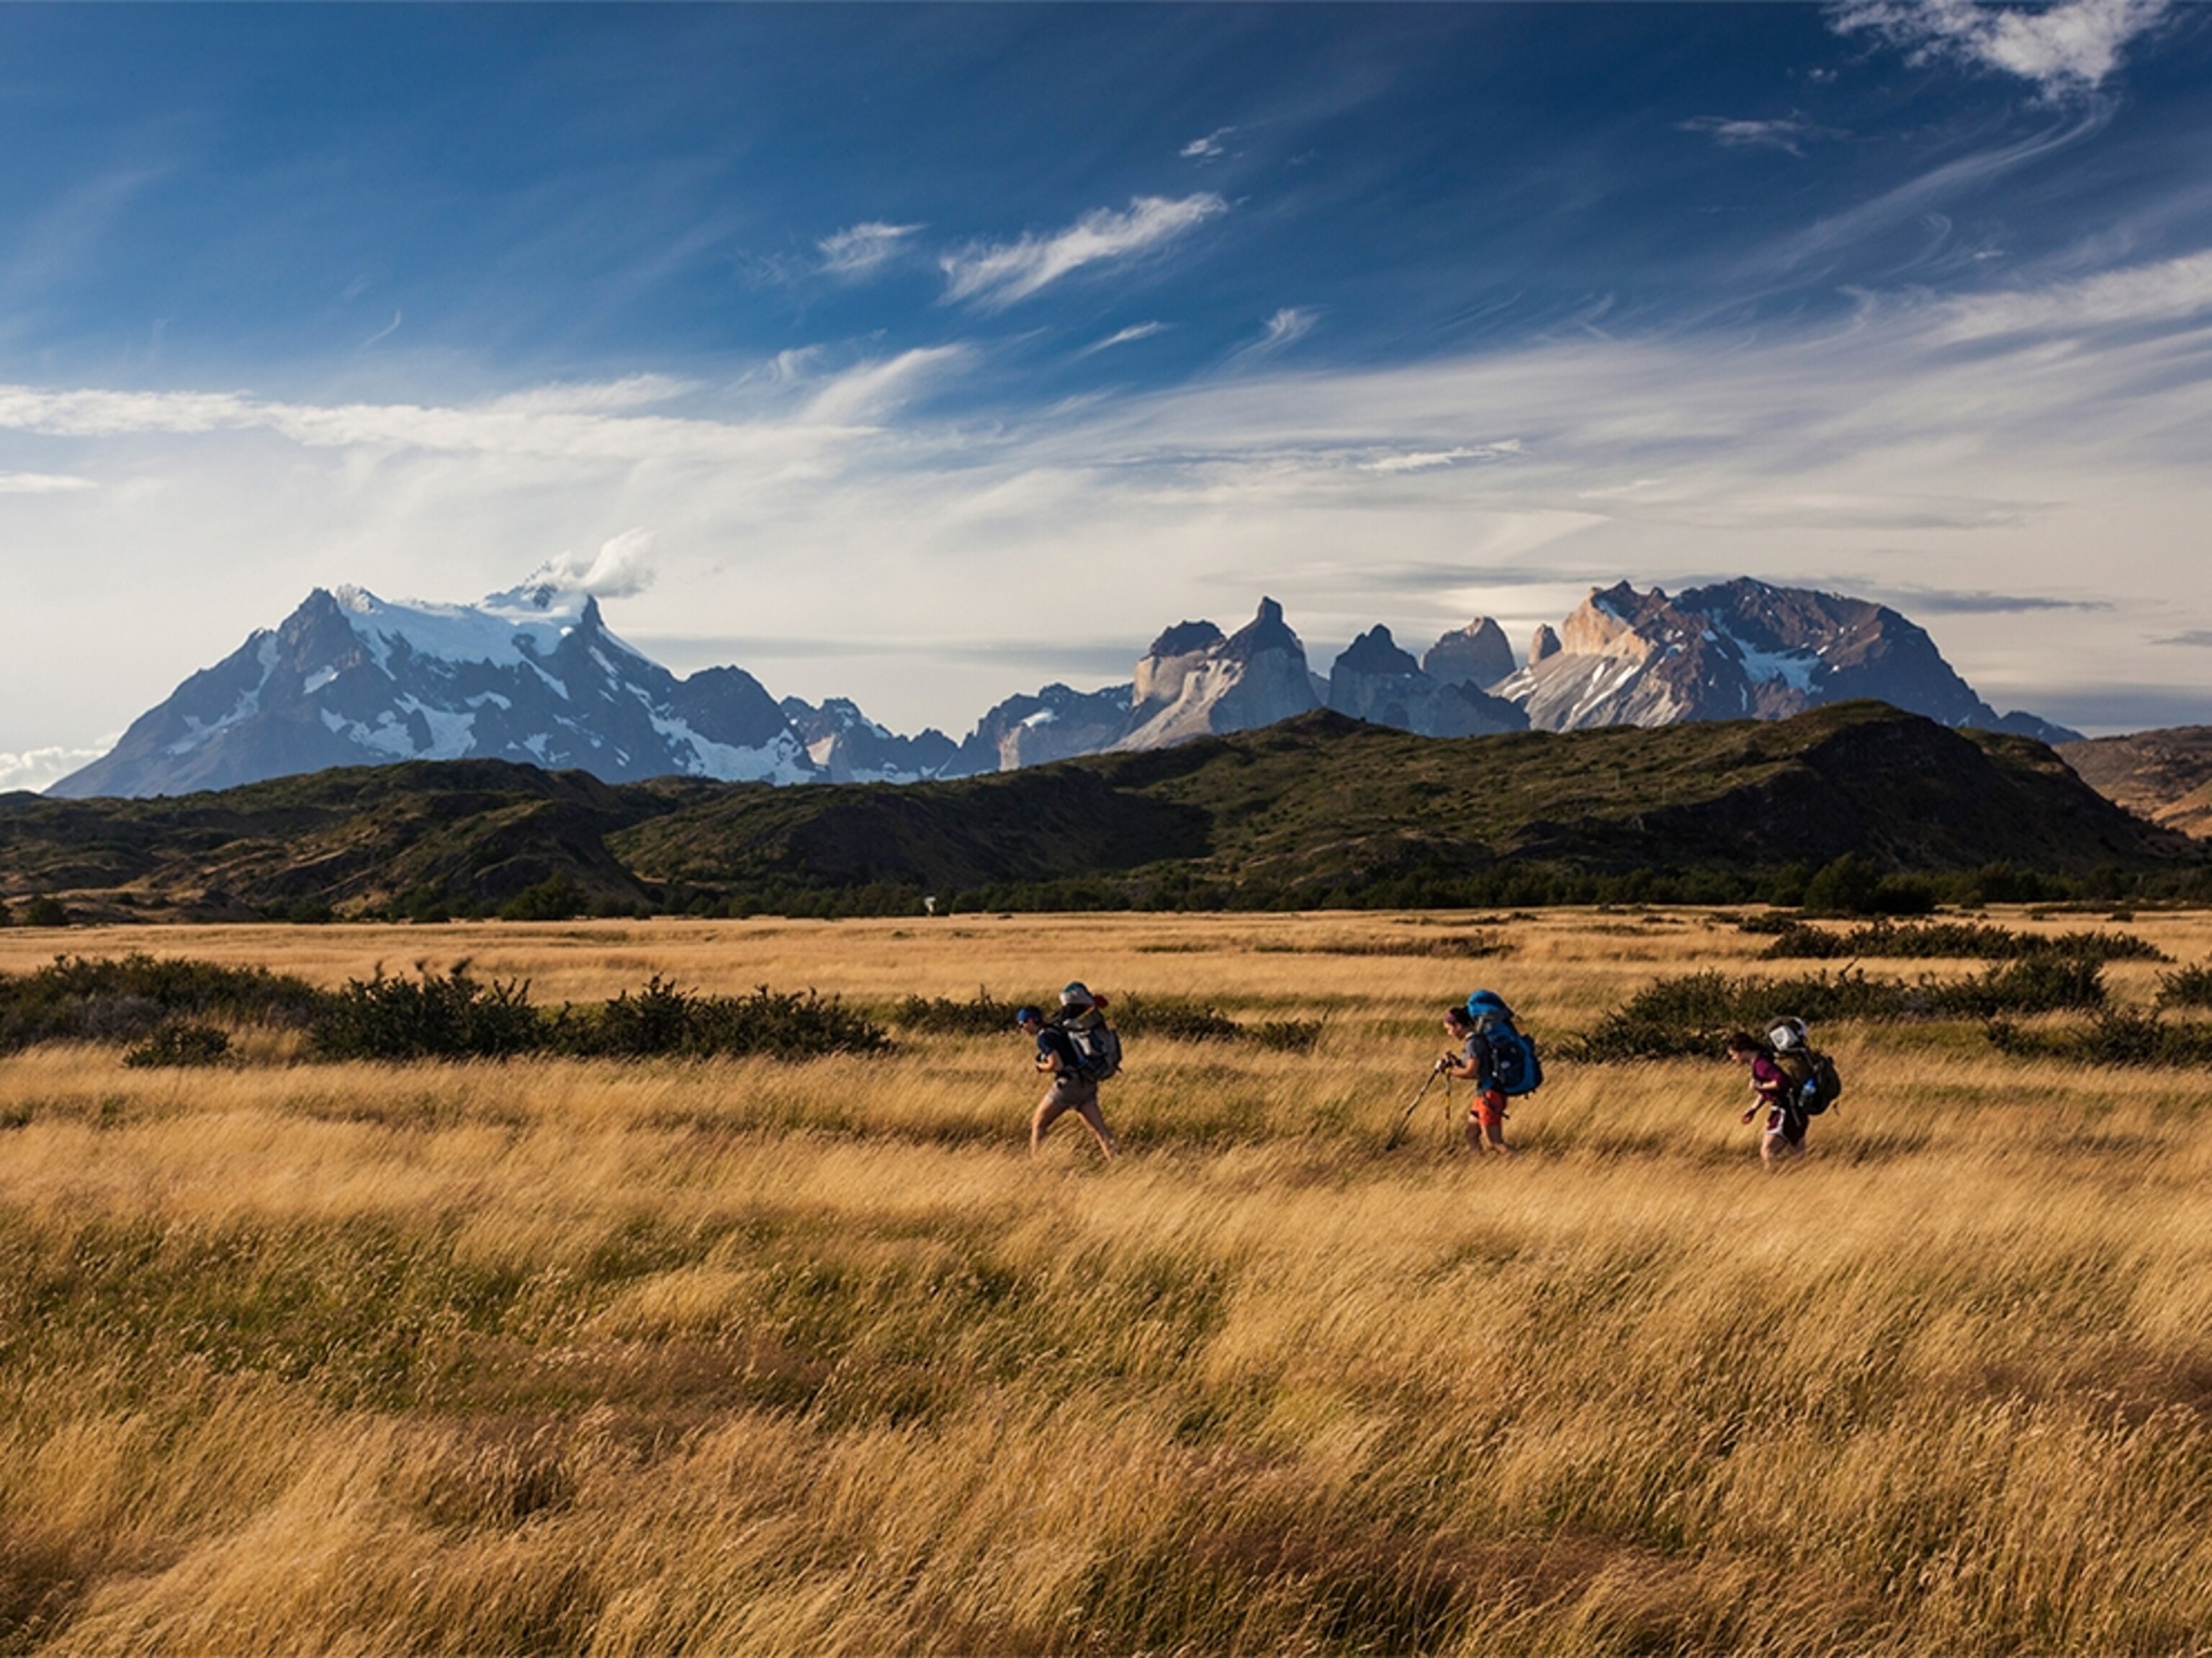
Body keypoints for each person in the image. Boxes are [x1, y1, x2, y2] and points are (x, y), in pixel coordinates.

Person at [1016, 983, 1118, 1161]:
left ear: (1031, 1021)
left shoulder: (1044, 1037)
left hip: (1069, 1084)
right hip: (1088, 1080)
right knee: (1099, 1130)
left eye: (1022, 1024)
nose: (1022, 1028)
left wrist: (1040, 1067)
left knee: (1038, 1124)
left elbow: (1057, 1065)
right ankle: (1117, 1164)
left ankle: (1036, 1166)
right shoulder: (1059, 1028)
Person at [1441, 1005, 1514, 1156]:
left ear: (1459, 1026)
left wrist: (1449, 1071)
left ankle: (1524, 1164)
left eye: (1449, 1029)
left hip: (1490, 1095)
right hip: (1484, 1094)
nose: (1449, 1033)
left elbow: (1471, 1071)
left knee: (1494, 1142)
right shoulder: (1477, 1040)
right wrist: (1456, 1062)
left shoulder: (1474, 1043)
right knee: (1471, 1135)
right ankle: (1479, 1168)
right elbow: (1479, 1067)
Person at [1727, 1030, 1805, 1167]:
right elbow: (1769, 1089)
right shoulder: (1762, 1060)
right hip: (1795, 1112)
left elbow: (1782, 1082)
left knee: (1767, 1151)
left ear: (1742, 1051)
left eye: (1733, 1055)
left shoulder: (1761, 1064)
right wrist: (1754, 1109)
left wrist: (1760, 1085)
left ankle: (1774, 1182)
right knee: (1798, 1157)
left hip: (1786, 1111)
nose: (1733, 1059)